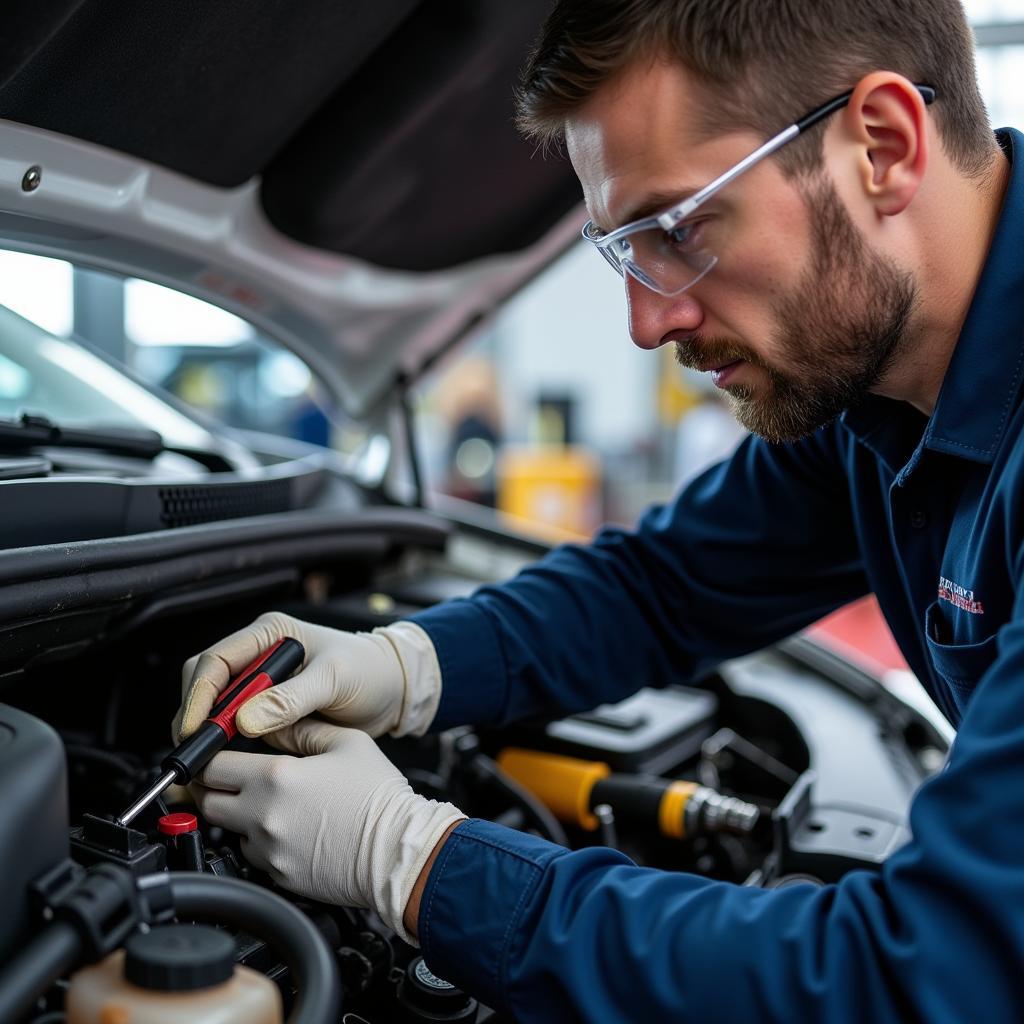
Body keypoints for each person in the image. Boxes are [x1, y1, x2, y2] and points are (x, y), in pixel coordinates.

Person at [172, 1, 1024, 1019]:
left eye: (680, 227)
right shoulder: (869, 393)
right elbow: (664, 588)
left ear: (882, 145)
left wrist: (411, 863)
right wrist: (401, 666)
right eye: (625, 251)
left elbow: (919, 975)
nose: (646, 319)